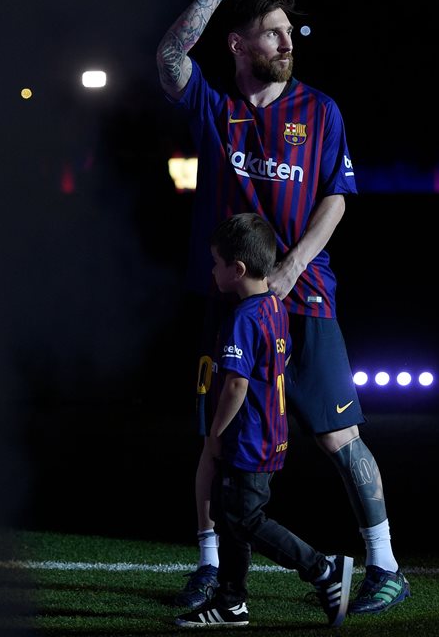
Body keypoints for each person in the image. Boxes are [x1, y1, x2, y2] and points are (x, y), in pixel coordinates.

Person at [157, 0, 410, 616]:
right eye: (271, 34)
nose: (286, 43)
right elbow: (169, 61)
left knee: (336, 437)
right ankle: (211, 572)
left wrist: (294, 265)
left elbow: (338, 197)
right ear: (239, 45)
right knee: (218, 435)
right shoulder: (214, 109)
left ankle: (384, 564)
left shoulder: (321, 112)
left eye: (290, 35)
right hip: (231, 302)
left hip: (304, 296)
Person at [175, 212, 353, 628]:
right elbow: (282, 355)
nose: (213, 271)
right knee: (233, 516)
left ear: (237, 270)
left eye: (216, 263)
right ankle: (231, 602)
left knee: (244, 519)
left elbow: (236, 386)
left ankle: (323, 571)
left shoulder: (241, 318)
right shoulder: (275, 306)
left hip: (249, 439)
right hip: (271, 433)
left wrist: (215, 434)